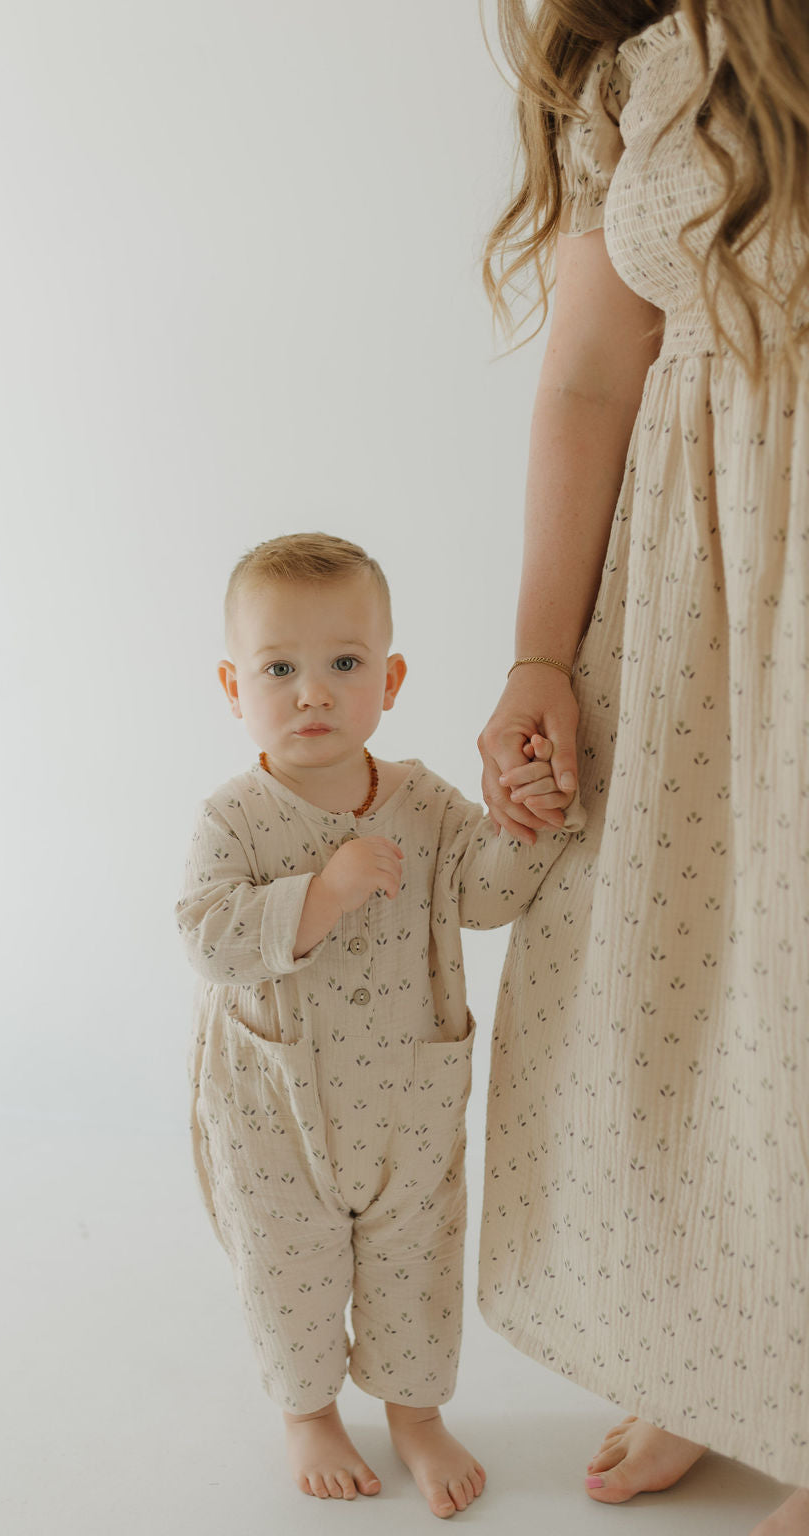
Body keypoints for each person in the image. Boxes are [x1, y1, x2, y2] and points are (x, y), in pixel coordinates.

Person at [476, 3, 809, 1532]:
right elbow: (592, 380)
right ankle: (728, 1348)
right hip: (704, 610)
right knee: (706, 1008)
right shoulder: (642, 67)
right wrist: (543, 652)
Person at [176, 532, 583, 1518]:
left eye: (343, 664)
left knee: (417, 1263)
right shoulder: (235, 819)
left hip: (406, 1097)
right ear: (235, 686)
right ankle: (308, 1412)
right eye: (280, 668)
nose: (311, 693)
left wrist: (528, 822)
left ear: (389, 679)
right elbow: (208, 935)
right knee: (291, 1269)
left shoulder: (422, 804)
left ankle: (415, 1413)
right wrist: (318, 894)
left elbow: (482, 896)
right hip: (276, 1116)